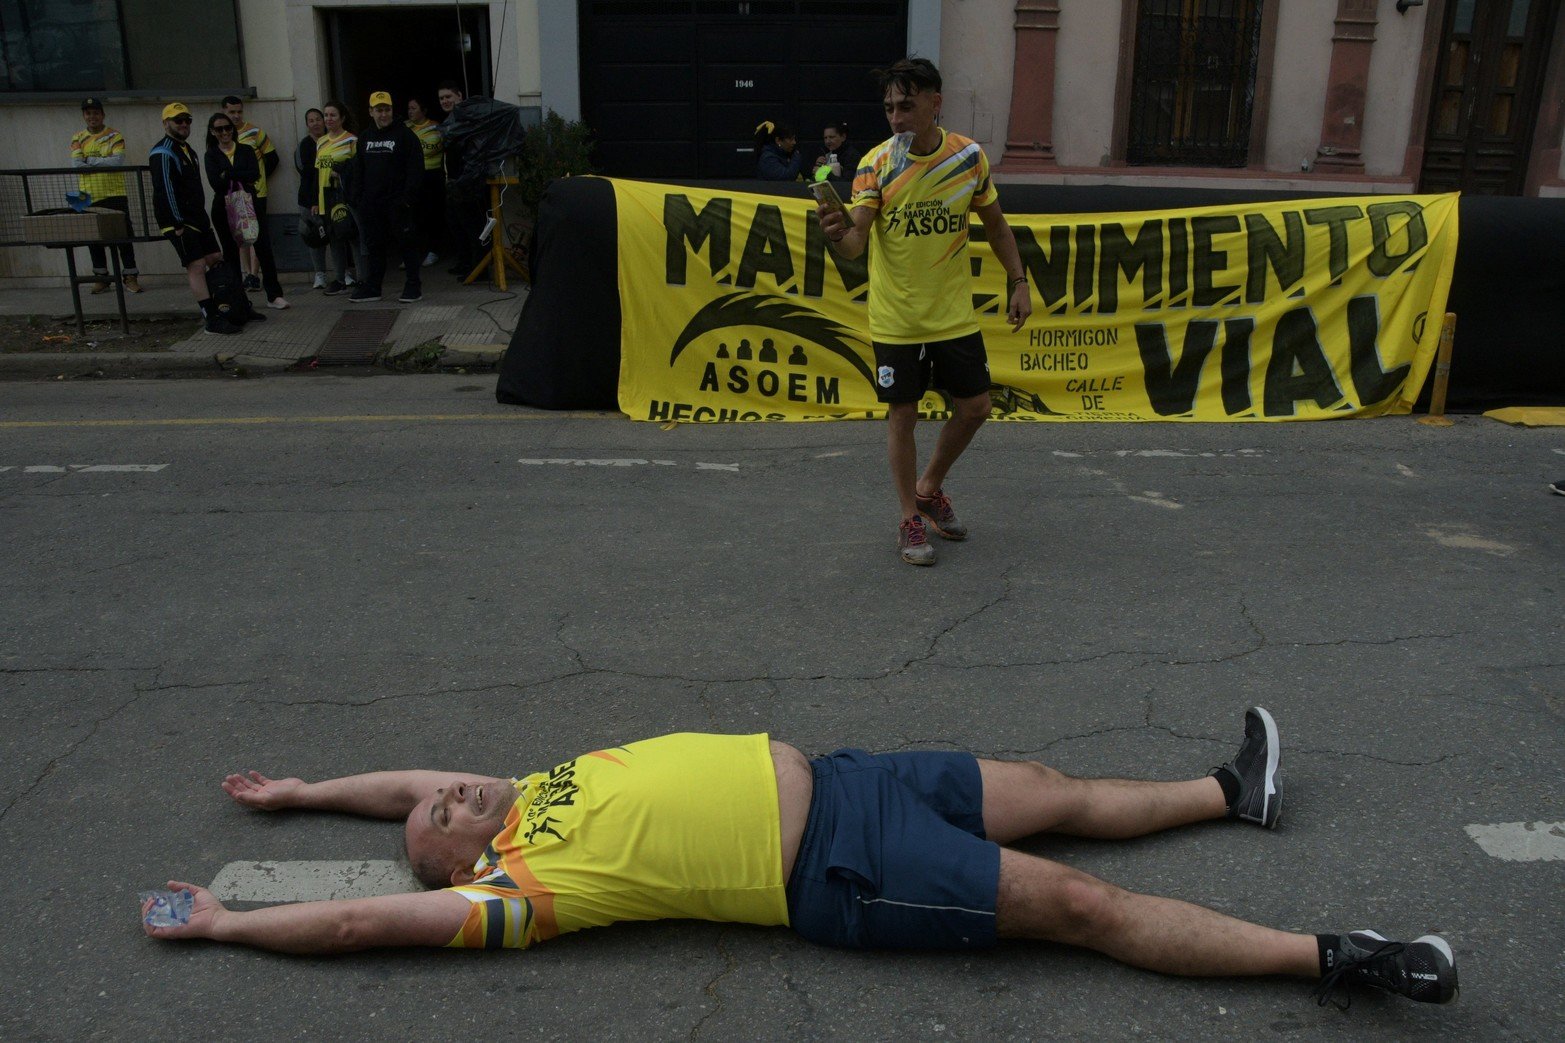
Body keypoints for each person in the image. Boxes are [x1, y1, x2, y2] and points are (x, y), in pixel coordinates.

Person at [139, 707, 1458, 1009]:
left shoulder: (522, 791)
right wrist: (227, 921)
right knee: (1076, 902)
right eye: (442, 810)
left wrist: (304, 791)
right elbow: (365, 922)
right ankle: (1341, 958)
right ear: (458, 860)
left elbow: (400, 783)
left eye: (442, 787)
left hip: (849, 773)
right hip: (836, 864)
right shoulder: (518, 888)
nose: (448, 787)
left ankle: (1231, 792)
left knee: (1049, 791)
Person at [817, 58, 1032, 566]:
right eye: (890, 108)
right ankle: (909, 518)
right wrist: (836, 235)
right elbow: (856, 243)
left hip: (952, 314)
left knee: (976, 408)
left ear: (935, 104)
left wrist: (1019, 281)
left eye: (907, 106)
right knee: (904, 414)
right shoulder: (875, 164)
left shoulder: (969, 158)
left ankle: (929, 488)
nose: (896, 118)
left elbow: (997, 226)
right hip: (897, 317)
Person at [148, 103, 236, 336]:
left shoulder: (188, 150)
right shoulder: (163, 152)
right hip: (179, 220)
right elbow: (165, 189)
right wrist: (177, 223)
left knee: (215, 258)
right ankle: (211, 318)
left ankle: (229, 305)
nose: (184, 124)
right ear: (166, 123)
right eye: (178, 120)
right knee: (196, 265)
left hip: (197, 217)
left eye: (187, 120)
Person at [346, 91, 425, 304]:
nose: (383, 114)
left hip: (398, 203)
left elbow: (416, 169)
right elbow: (358, 169)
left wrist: (407, 199)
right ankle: (373, 288)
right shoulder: (365, 137)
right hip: (371, 204)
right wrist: (357, 197)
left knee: (406, 244)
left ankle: (413, 286)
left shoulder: (406, 135)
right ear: (371, 112)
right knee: (374, 246)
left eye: (387, 109)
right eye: (379, 110)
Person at [203, 112, 287, 311]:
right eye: (219, 129)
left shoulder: (246, 149)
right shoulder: (211, 155)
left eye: (228, 128)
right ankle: (237, 299)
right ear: (212, 132)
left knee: (263, 248)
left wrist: (228, 174)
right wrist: (236, 175)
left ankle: (274, 295)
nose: (224, 132)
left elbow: (254, 174)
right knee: (231, 252)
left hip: (249, 204)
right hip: (224, 207)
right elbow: (216, 182)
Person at [69, 97, 140, 294]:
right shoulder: (77, 138)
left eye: (96, 113)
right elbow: (77, 165)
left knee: (123, 237)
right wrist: (102, 161)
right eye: (88, 113)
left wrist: (90, 160)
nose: (92, 117)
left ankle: (130, 276)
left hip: (114, 193)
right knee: (93, 239)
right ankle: (101, 278)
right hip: (85, 195)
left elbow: (117, 161)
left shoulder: (114, 135)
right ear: (84, 116)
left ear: (103, 115)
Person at [222, 95, 279, 294]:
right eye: (232, 112)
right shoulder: (222, 136)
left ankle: (255, 274)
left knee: (256, 233)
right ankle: (247, 274)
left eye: (239, 111)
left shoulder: (255, 132)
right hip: (233, 194)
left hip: (257, 192)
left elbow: (272, 158)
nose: (236, 116)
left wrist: (259, 179)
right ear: (224, 112)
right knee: (240, 234)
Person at [437, 80, 484, 278]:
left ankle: (479, 269)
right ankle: (465, 263)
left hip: (468, 184)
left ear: (459, 96)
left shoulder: (468, 120)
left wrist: (465, 180)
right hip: (453, 183)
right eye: (441, 98)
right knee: (456, 225)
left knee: (472, 227)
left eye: (448, 97)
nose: (445, 101)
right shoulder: (449, 123)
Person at [314, 100, 361, 296]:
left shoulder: (351, 140)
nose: (328, 119)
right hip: (326, 199)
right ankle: (340, 280)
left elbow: (359, 170)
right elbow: (317, 173)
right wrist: (315, 202)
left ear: (342, 118)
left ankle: (362, 279)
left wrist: (342, 173)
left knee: (354, 239)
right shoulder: (321, 141)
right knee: (334, 241)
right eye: (326, 115)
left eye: (333, 115)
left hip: (346, 198)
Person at [406, 96, 445, 269]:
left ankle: (433, 250)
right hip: (413, 177)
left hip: (432, 175)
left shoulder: (436, 127)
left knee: (432, 214)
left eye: (413, 108)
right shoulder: (405, 127)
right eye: (409, 108)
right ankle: (413, 253)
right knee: (413, 216)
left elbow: (441, 148)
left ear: (423, 110)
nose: (410, 112)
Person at [295, 108, 329, 290]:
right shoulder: (304, 145)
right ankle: (320, 274)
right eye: (311, 120)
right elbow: (305, 171)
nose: (316, 123)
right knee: (314, 236)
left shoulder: (332, 140)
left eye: (318, 119)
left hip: (331, 196)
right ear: (307, 125)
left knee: (337, 234)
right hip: (308, 199)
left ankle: (343, 272)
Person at [810, 121, 860, 186]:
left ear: (843, 137)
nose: (827, 141)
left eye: (831, 137)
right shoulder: (826, 154)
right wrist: (818, 168)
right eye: (825, 138)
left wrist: (823, 173)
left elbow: (847, 184)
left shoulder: (852, 155)